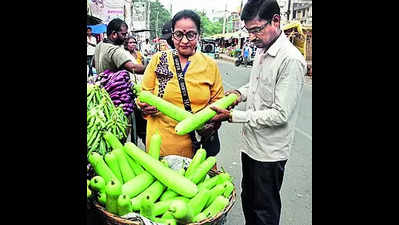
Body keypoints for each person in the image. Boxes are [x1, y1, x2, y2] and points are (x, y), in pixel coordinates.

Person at [209, 0, 307, 225]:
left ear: (275, 20)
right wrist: (237, 95)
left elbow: (280, 114)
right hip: (251, 145)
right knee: (249, 200)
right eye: (249, 31)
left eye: (256, 30)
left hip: (270, 153)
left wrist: (232, 116)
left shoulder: (290, 60)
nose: (252, 37)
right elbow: (256, 87)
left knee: (264, 210)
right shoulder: (263, 50)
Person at [137, 9, 224, 159]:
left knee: (193, 182)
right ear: (172, 34)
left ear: (198, 35)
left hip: (194, 147)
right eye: (178, 34)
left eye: (190, 34)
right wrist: (144, 107)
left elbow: (218, 102)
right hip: (160, 143)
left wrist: (211, 123)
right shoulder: (158, 60)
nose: (184, 41)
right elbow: (144, 95)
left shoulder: (210, 65)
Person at [123, 35, 148, 146]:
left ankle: (143, 138)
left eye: (134, 42)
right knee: (136, 117)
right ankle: (135, 140)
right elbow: (133, 68)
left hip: (141, 83)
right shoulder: (124, 55)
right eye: (130, 43)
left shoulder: (138, 54)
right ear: (126, 44)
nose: (133, 44)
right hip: (131, 85)